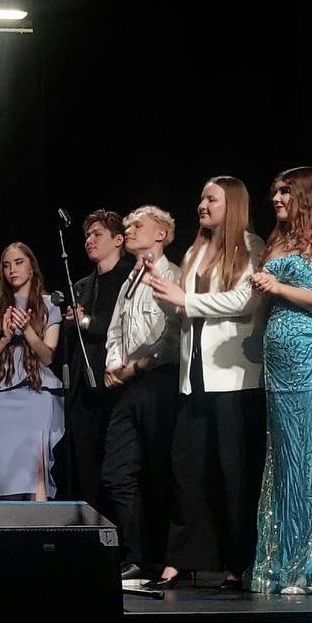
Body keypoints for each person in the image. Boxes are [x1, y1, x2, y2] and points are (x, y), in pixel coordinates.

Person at [143, 177, 265, 590]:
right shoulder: (194, 251)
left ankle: (236, 561)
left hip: (233, 377)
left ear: (232, 205)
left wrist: (186, 300)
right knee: (187, 469)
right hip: (193, 378)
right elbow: (183, 313)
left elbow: (245, 301)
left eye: (211, 199)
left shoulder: (250, 247)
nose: (202, 204)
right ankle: (181, 558)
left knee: (233, 473)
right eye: (201, 198)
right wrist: (163, 294)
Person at [248, 166, 312, 595]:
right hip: (280, 361)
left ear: (307, 194)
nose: (277, 198)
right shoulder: (277, 241)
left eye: (285, 191)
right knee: (287, 461)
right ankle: (286, 561)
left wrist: (279, 288)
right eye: (275, 191)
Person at [101, 205, 181, 580]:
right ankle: (135, 555)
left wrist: (139, 366)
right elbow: (115, 330)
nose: (129, 229)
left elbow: (174, 335)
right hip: (129, 384)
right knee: (116, 471)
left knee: (160, 470)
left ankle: (167, 557)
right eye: (128, 224)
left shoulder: (173, 275)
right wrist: (113, 365)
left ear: (160, 234)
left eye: (138, 225)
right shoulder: (129, 280)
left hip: (159, 380)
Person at [58, 210, 132, 513]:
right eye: (87, 235)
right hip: (83, 388)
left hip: (115, 384)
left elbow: (123, 326)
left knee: (114, 468)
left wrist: (85, 321)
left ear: (118, 240)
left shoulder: (129, 278)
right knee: (86, 468)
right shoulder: (81, 286)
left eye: (97, 234)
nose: (89, 240)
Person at [0, 243, 63, 500]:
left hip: (35, 391)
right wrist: (5, 338)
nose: (12, 270)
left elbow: (48, 357)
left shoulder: (49, 305)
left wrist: (27, 330)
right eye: (7, 265)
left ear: (31, 267)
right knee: (7, 472)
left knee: (36, 470)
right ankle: (12, 522)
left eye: (18, 263)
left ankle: (39, 522)